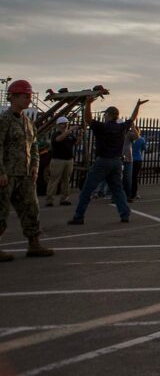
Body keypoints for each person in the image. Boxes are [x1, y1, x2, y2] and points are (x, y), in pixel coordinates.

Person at [69, 97, 147, 225]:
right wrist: (138, 105)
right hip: (117, 162)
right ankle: (125, 214)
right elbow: (132, 119)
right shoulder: (122, 128)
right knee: (117, 189)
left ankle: (79, 216)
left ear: (109, 115)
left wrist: (88, 104)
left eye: (105, 114)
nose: (104, 116)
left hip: (103, 161)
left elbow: (88, 119)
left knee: (87, 189)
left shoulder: (102, 127)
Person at [0, 79, 54, 261]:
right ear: (13, 97)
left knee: (31, 208)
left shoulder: (28, 123)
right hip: (6, 175)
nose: (29, 100)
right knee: (1, 210)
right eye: (25, 96)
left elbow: (34, 148)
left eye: (30, 96)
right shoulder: (3, 120)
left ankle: (34, 244)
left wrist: (34, 167)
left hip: (24, 175)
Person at [46, 116, 77, 207]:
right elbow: (59, 139)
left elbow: (75, 143)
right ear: (58, 125)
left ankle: (64, 199)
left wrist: (80, 136)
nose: (65, 125)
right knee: (54, 179)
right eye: (63, 124)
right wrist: (70, 130)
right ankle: (49, 199)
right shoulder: (56, 134)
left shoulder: (70, 135)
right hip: (58, 160)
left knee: (66, 180)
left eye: (66, 123)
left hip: (69, 160)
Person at [128, 126, 146, 201]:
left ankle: (129, 192)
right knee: (135, 177)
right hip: (138, 159)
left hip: (130, 159)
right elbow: (144, 148)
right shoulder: (142, 139)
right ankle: (134, 193)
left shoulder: (130, 139)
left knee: (128, 177)